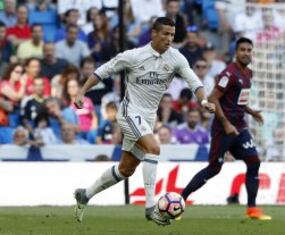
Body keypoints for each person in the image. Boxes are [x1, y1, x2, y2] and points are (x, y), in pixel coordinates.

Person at [73, 17, 215, 226]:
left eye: (172, 36)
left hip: (148, 118)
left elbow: (194, 81)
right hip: (130, 113)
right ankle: (151, 208)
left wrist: (203, 100)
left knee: (125, 169)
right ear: (154, 34)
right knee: (154, 148)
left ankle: (85, 194)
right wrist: (82, 92)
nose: (169, 39)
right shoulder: (133, 56)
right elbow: (103, 70)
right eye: (165, 34)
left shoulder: (176, 58)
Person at [181, 37, 271, 220]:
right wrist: (226, 123)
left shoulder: (248, 74)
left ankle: (252, 209)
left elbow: (238, 101)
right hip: (224, 128)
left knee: (254, 162)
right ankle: (180, 201)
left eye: (249, 50)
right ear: (236, 53)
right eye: (242, 50)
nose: (246, 53)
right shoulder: (228, 74)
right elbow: (213, 98)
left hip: (240, 127)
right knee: (214, 168)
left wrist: (252, 112)